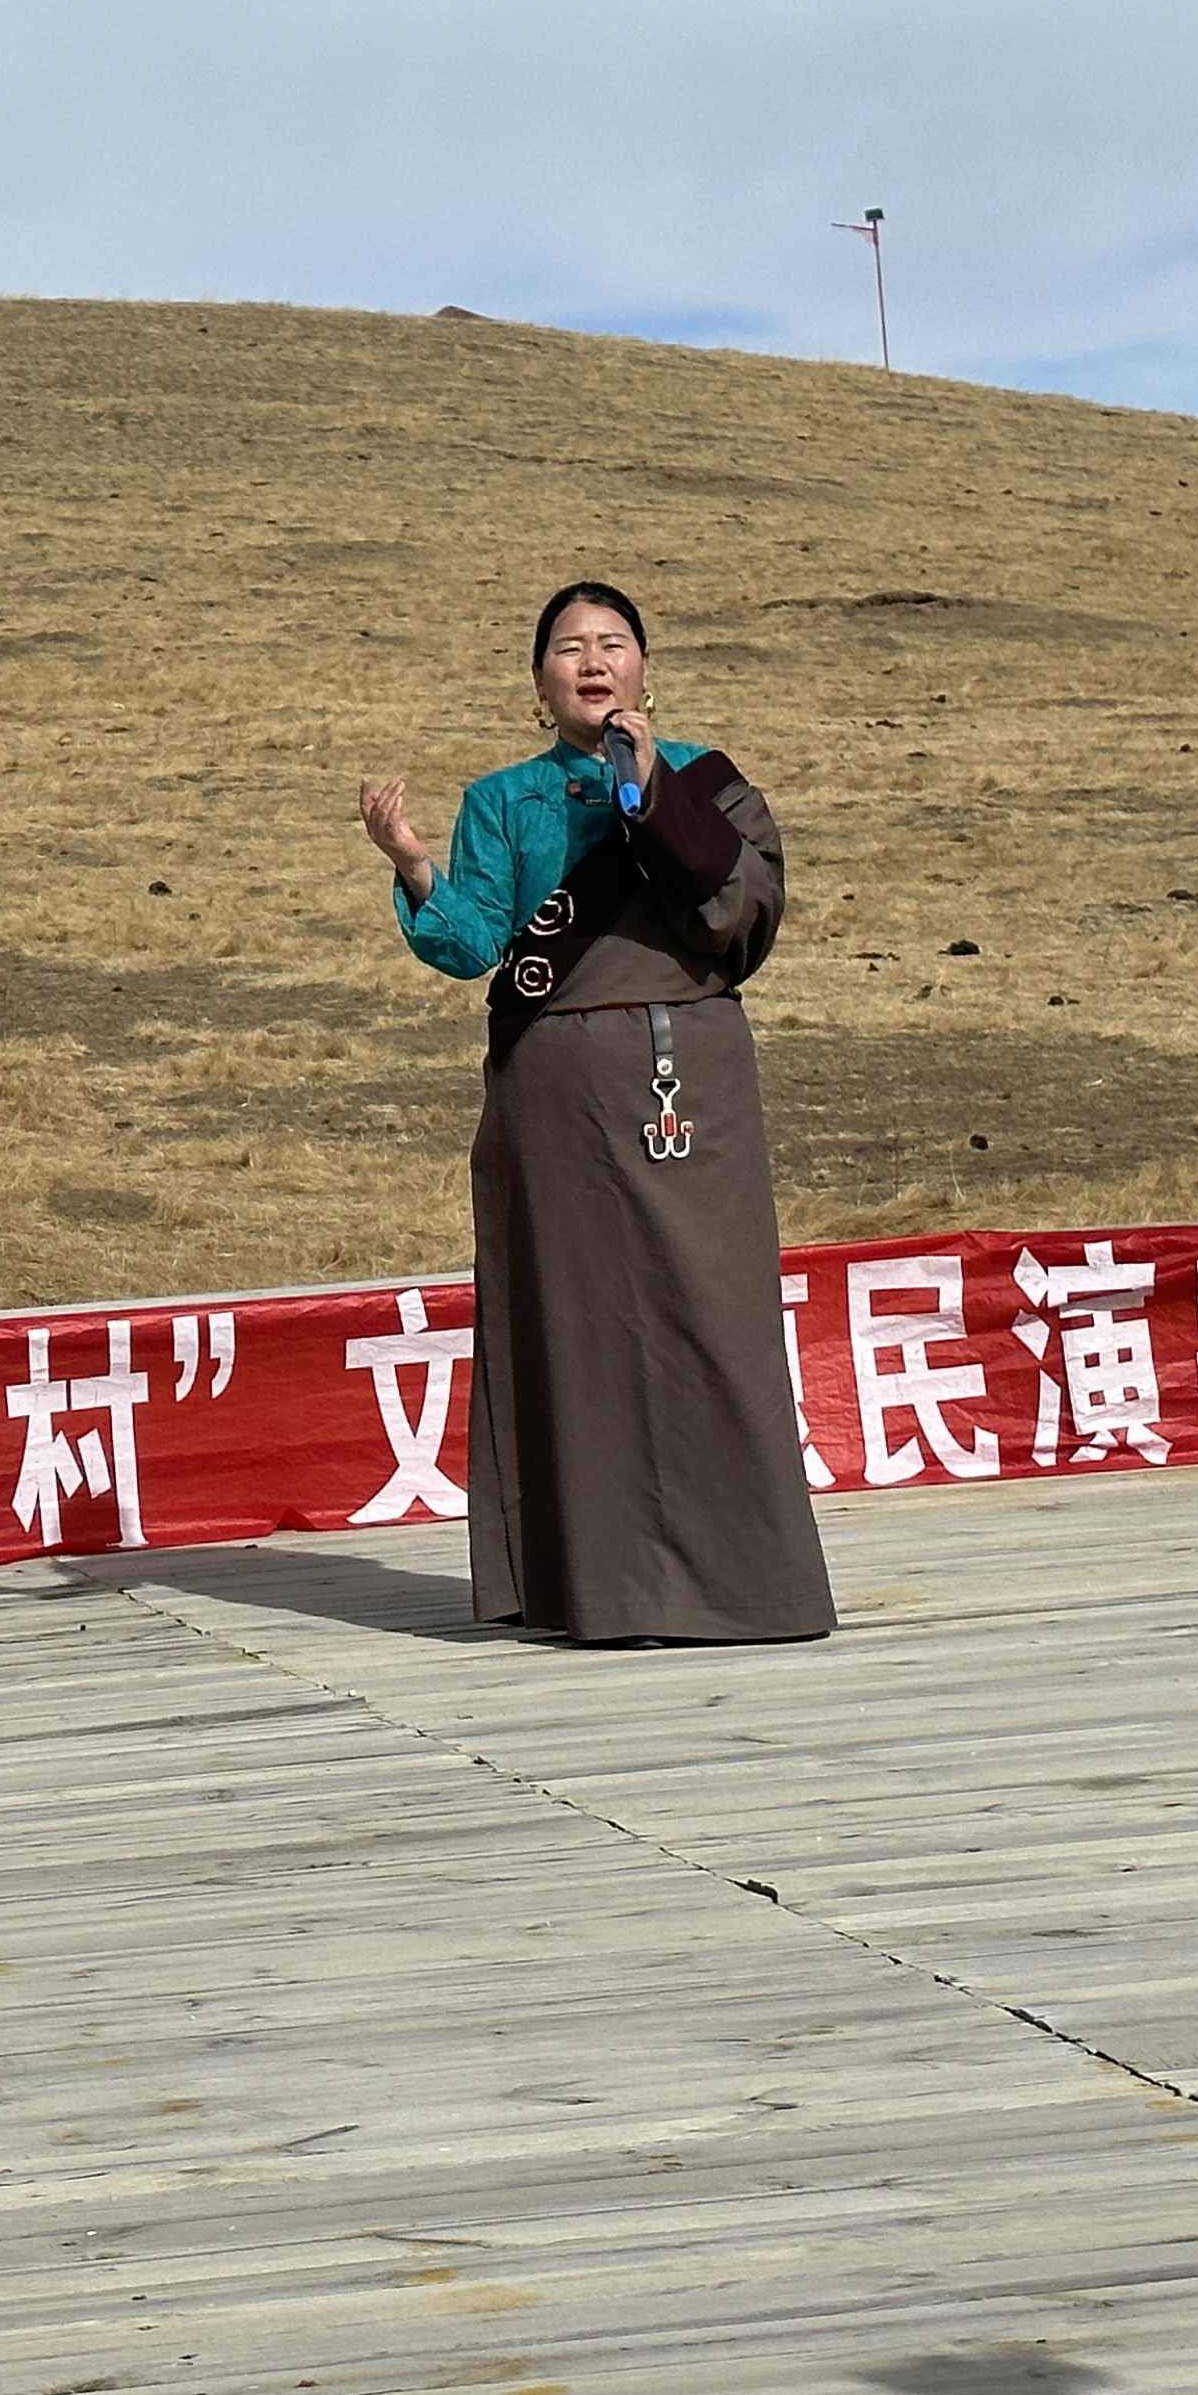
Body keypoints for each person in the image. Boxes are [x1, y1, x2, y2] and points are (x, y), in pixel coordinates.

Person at [357, 581, 834, 1646]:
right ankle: (598, 1593)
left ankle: (747, 1587)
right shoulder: (503, 800)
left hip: (691, 1079)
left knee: (713, 1316)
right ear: (540, 683)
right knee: (577, 1327)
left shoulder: (706, 780)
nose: (592, 660)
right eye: (568, 647)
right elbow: (473, 945)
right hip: (556, 1091)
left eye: (613, 642)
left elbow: (743, 914)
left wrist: (653, 789)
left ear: (644, 670)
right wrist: (413, 864)